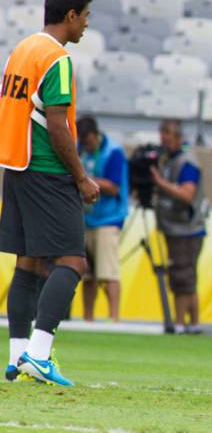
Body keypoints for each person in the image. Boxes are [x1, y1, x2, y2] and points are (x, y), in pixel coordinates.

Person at [0, 0, 98, 386]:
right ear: (71, 15)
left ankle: (18, 355)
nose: (86, 26)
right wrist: (81, 177)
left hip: (16, 167)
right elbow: (57, 126)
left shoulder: (22, 49)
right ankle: (40, 354)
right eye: (86, 17)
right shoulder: (57, 59)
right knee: (73, 261)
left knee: (29, 261)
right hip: (47, 169)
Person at [152, 119, 207, 335]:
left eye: (168, 138)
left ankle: (179, 323)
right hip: (176, 228)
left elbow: (187, 195)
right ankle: (193, 324)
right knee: (187, 277)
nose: (165, 143)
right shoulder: (168, 159)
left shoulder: (187, 161)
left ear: (178, 138)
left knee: (182, 277)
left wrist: (160, 183)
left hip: (187, 229)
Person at [77, 116, 128, 323]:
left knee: (108, 273)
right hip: (85, 219)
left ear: (95, 134)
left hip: (109, 218)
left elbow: (114, 186)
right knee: (87, 274)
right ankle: (87, 319)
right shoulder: (78, 148)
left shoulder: (113, 151)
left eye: (87, 141)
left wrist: (84, 179)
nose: (86, 145)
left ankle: (113, 318)